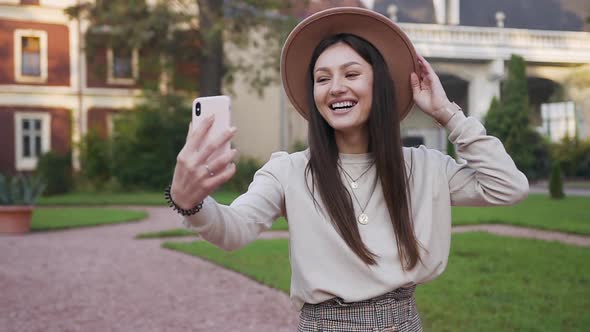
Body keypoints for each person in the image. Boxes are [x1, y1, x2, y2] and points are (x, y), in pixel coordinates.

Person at [167, 7, 529, 332]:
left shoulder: (425, 167)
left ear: (380, 84)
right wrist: (191, 204)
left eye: (351, 73)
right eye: (322, 79)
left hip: (404, 324)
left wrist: (447, 113)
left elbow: (507, 187)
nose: (335, 88)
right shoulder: (289, 171)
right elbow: (234, 230)